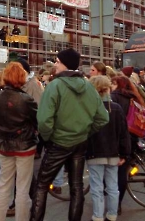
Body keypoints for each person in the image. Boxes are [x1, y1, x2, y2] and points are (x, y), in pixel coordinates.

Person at [31, 48, 109, 221]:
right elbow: (103, 118)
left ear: (65, 64)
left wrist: (48, 137)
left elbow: (44, 120)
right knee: (77, 186)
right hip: (80, 142)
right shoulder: (89, 86)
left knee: (41, 186)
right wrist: (86, 131)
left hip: (59, 142)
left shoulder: (54, 86)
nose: (55, 65)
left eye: (57, 61)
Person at [0, 62, 38, 221]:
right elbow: (37, 119)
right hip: (25, 145)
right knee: (23, 188)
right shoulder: (26, 99)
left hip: (5, 144)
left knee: (4, 186)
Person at [87, 75, 130, 221]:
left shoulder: (89, 108)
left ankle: (97, 215)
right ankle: (112, 214)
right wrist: (125, 154)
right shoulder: (116, 108)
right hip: (114, 152)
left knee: (97, 186)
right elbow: (124, 133)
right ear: (107, 89)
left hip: (94, 152)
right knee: (112, 186)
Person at [110, 75, 145, 213]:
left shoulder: (114, 97)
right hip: (132, 135)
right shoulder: (134, 96)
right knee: (123, 171)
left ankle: (114, 203)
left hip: (119, 137)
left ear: (116, 84)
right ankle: (118, 202)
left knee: (115, 171)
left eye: (112, 83)